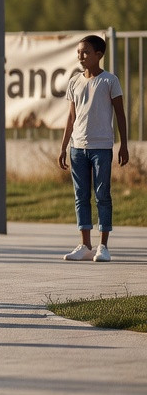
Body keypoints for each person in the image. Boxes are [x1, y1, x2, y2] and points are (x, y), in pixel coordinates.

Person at [59, 34, 130, 262]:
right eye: (79, 52)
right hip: (77, 148)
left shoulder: (110, 81)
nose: (81, 56)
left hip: (101, 147)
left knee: (102, 195)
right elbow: (71, 117)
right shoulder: (74, 82)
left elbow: (120, 114)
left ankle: (103, 246)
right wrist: (64, 147)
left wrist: (124, 145)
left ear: (99, 55)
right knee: (81, 196)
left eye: (86, 52)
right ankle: (85, 245)